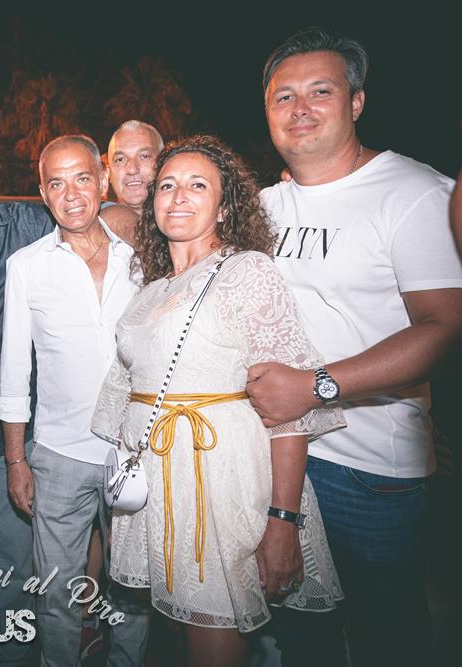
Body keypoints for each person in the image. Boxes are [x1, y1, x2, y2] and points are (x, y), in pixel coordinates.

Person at [247, 28, 462, 666]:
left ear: (357, 101)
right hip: (274, 462)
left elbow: (442, 328)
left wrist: (314, 386)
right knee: (300, 639)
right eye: (283, 96)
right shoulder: (261, 206)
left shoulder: (415, 192)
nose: (300, 108)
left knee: (387, 641)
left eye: (321, 91)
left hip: (370, 473)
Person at [92, 135, 345, 666]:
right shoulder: (153, 288)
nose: (178, 196)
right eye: (167, 186)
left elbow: (289, 411)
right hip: (160, 487)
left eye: (197, 185)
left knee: (215, 642)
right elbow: (127, 398)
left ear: (225, 206)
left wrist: (283, 521)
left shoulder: (247, 271)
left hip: (221, 485)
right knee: (182, 638)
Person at [0, 135, 139, 667]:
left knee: (134, 592)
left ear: (103, 180)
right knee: (56, 593)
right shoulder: (26, 265)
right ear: (42, 193)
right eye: (57, 183)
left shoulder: (143, 257)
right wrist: (16, 460)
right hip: (58, 455)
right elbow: (14, 370)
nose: (71, 194)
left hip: (137, 452)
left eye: (82, 178)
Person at [102, 121, 165, 244]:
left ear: (163, 164)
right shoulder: (92, 229)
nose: (131, 169)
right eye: (120, 159)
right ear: (109, 174)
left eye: (144, 156)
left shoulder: (186, 226)